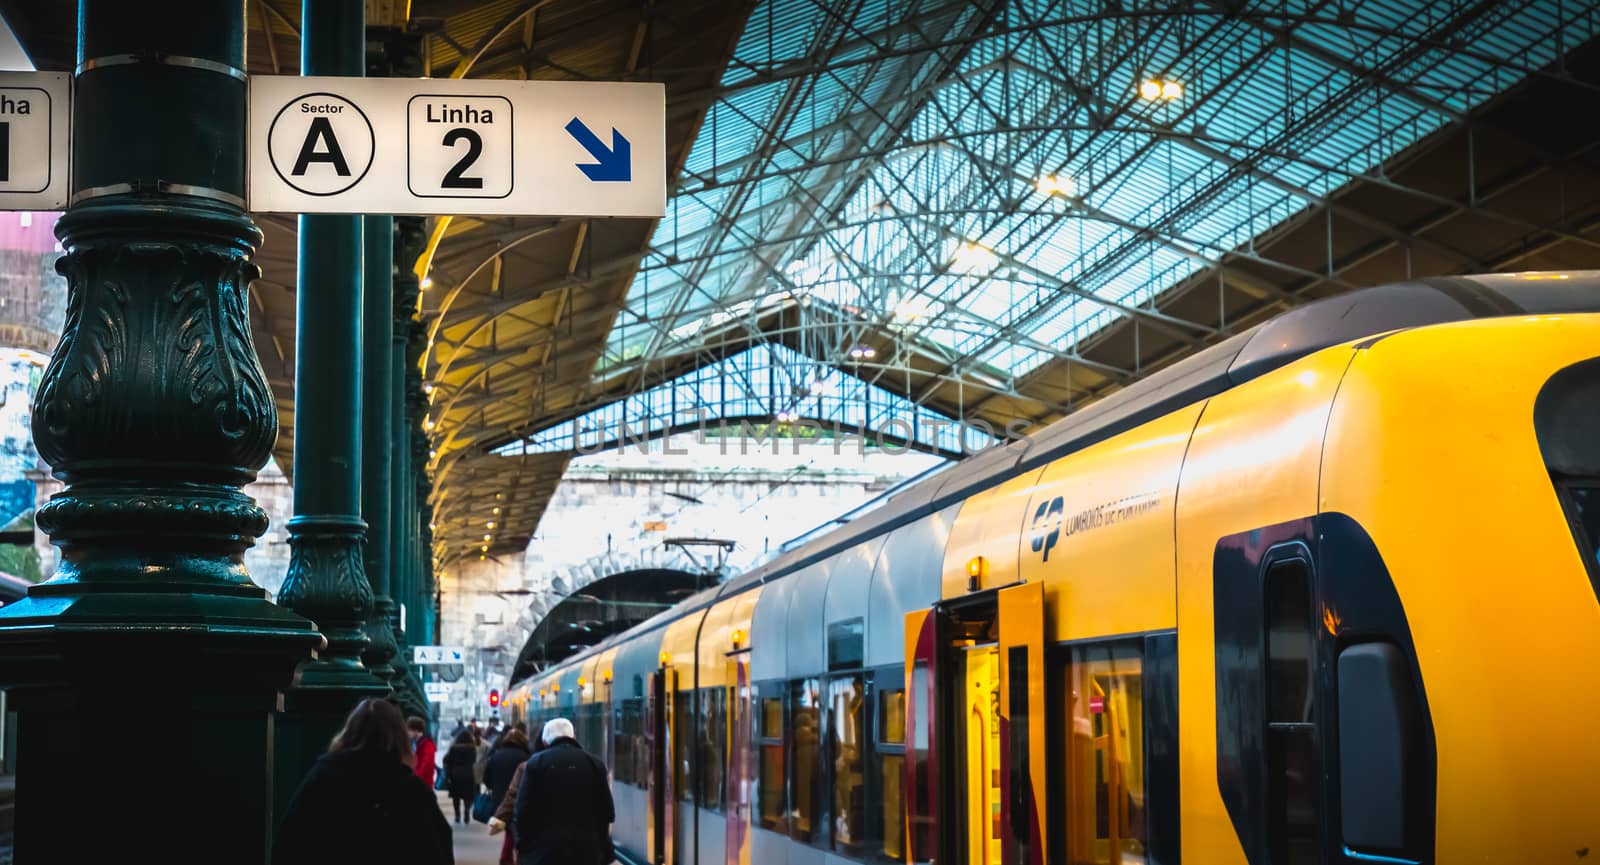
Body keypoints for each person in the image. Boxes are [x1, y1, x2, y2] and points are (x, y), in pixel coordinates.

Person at [273, 698, 453, 865]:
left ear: (348, 732)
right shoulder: (413, 791)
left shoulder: (322, 777)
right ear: (400, 739)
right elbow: (437, 849)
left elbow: (289, 842)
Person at [515, 718, 614, 865]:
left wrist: (523, 845)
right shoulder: (595, 763)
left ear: (545, 742)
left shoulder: (536, 763)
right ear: (574, 737)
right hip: (585, 850)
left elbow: (523, 809)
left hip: (544, 850)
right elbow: (606, 811)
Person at [442, 729, 481, 824]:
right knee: (467, 795)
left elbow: (446, 759)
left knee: (456, 796)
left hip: (455, 774)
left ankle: (457, 815)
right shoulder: (472, 748)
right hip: (469, 774)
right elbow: (474, 760)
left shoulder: (453, 748)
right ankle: (466, 812)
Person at [408, 716, 438, 789]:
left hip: (424, 784)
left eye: (409, 730)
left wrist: (416, 776)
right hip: (420, 782)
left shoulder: (427, 744)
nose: (407, 733)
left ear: (416, 730)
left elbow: (426, 763)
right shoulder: (417, 743)